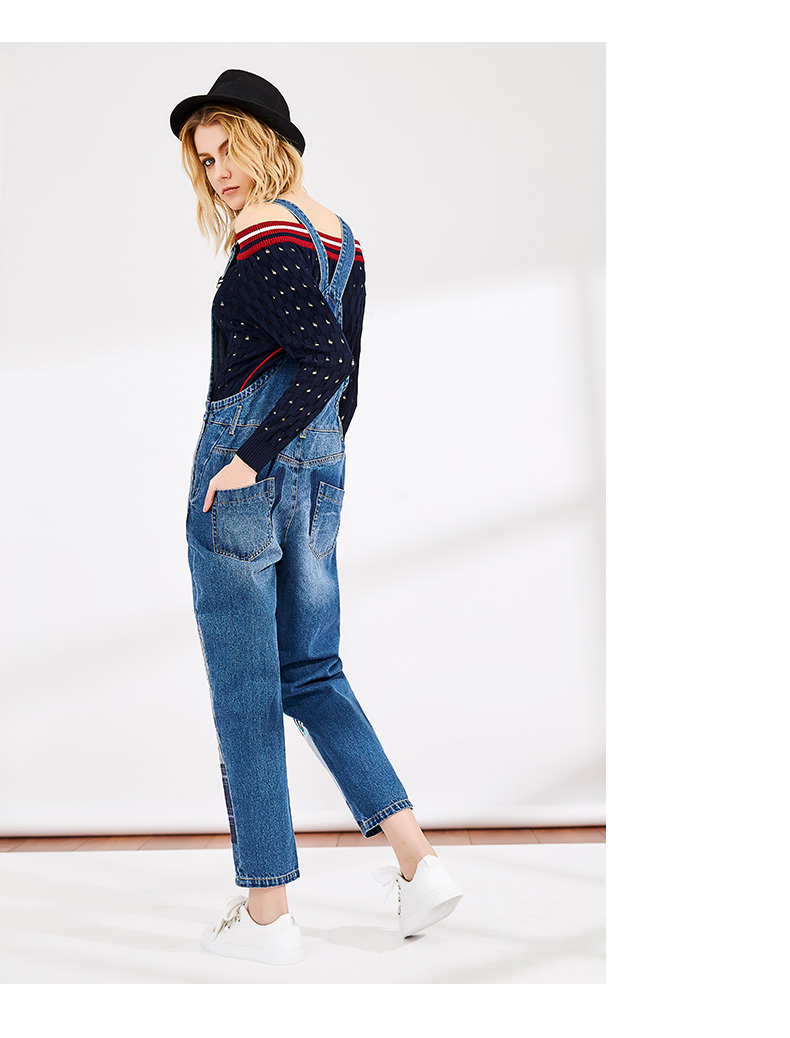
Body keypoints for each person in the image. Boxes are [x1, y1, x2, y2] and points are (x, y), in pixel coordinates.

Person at [169, 69, 463, 965]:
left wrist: (250, 458)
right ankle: (418, 865)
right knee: (313, 672)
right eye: (204, 160)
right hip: (320, 473)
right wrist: (313, 465)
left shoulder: (262, 231)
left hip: (245, 476)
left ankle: (268, 916)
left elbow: (327, 356)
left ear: (270, 143)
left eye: (230, 151)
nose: (220, 174)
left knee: (247, 690)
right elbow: (348, 379)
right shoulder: (342, 238)